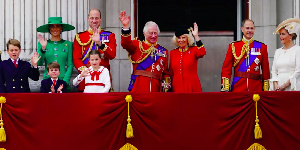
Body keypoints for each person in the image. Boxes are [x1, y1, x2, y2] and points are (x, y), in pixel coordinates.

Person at [119, 10, 170, 92]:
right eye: (150, 33)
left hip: (155, 89)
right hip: (138, 87)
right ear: (144, 33)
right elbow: (125, 44)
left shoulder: (163, 51)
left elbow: (166, 73)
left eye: (155, 33)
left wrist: (166, 83)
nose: (153, 36)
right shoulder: (137, 45)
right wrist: (126, 27)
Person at [73, 8, 116, 92]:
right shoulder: (80, 37)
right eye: (92, 18)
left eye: (96, 18)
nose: (94, 20)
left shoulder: (110, 35)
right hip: (86, 78)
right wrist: (86, 71)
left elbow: (112, 55)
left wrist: (100, 43)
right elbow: (76, 58)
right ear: (88, 19)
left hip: (103, 77)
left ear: (100, 19)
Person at [221, 19, 270, 92]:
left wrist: (266, 88)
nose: (249, 30)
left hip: (256, 87)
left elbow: (265, 70)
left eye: (251, 28)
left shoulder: (262, 47)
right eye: (247, 28)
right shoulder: (234, 46)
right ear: (242, 29)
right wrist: (225, 87)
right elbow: (226, 68)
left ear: (254, 29)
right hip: (238, 87)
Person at [37, 17, 74, 88]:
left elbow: (70, 65)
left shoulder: (68, 44)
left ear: (61, 28)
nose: (55, 29)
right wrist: (43, 48)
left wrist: (65, 82)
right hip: (47, 81)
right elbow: (39, 63)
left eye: (57, 26)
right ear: (49, 29)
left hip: (63, 80)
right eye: (52, 26)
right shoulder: (42, 43)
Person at [169, 23, 206, 92]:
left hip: (192, 86)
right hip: (177, 87)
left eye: (183, 37)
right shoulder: (173, 53)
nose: (181, 40)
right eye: (179, 38)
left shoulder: (194, 50)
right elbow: (171, 72)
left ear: (188, 38)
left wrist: (196, 36)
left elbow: (202, 52)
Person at [270, 18, 300, 91]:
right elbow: (274, 71)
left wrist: (284, 85)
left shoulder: (297, 50)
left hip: (292, 86)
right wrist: (276, 84)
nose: (280, 37)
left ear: (291, 36)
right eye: (280, 34)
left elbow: (298, 71)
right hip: (277, 88)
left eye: (283, 34)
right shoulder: (278, 51)